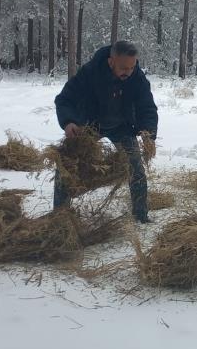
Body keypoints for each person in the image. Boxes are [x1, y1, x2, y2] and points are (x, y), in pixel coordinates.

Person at [54, 40, 158, 222]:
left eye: (132, 67)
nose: (128, 72)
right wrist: (69, 122)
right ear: (111, 62)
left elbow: (147, 107)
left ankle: (141, 216)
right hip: (89, 126)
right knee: (65, 165)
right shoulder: (90, 72)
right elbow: (64, 99)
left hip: (122, 127)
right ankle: (60, 216)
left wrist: (148, 133)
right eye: (123, 68)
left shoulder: (137, 77)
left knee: (136, 169)